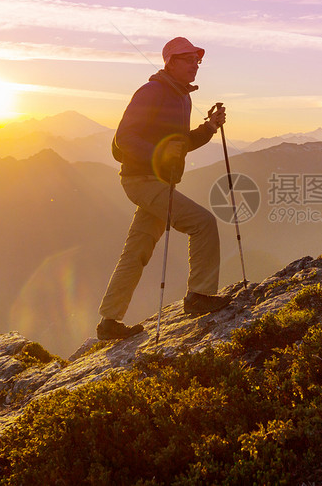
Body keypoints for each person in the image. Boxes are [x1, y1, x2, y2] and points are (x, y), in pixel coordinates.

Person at [96, 37, 230, 340]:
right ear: (170, 62)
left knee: (137, 250)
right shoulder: (152, 92)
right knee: (203, 222)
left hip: (157, 182)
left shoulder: (182, 97)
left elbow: (180, 146)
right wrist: (158, 157)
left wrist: (209, 127)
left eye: (198, 60)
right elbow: (124, 139)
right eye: (189, 60)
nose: (195, 65)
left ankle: (109, 322)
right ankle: (199, 296)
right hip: (142, 181)